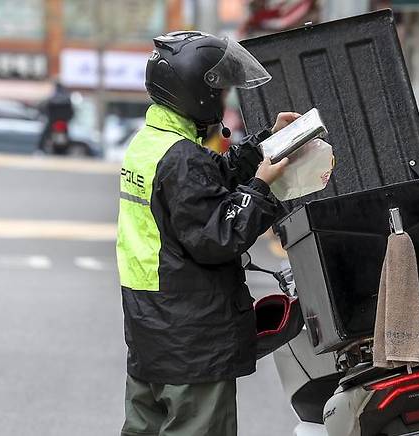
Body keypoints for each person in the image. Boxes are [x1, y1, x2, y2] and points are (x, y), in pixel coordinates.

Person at [117, 31, 299, 436]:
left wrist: (265, 144)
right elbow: (219, 236)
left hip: (153, 335)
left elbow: (200, 191)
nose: (224, 100)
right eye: (220, 90)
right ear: (197, 91)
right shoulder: (183, 158)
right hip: (192, 346)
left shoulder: (151, 145)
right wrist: (262, 187)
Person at [37, 81, 74, 153]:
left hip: (53, 122)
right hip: (63, 122)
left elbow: (44, 108)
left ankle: (40, 150)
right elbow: (71, 112)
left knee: (45, 135)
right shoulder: (67, 98)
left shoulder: (52, 97)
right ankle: (64, 151)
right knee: (66, 137)